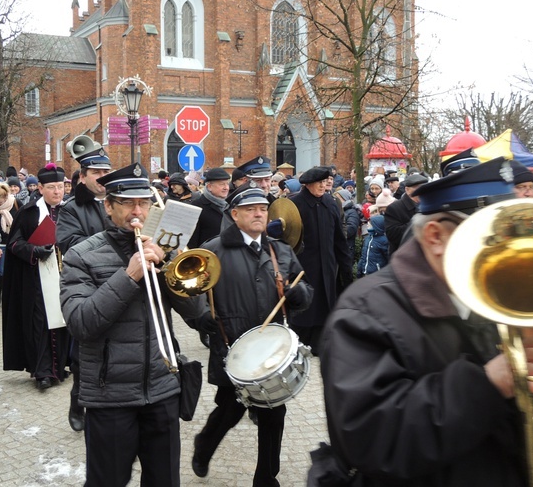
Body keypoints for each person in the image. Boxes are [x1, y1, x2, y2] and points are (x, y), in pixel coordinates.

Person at [316, 157, 533, 487]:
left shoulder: (502, 294)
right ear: (435, 236)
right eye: (491, 235)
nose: (507, 249)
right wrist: (489, 383)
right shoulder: (364, 311)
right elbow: (373, 441)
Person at [60, 162, 209, 487]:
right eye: (127, 203)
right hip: (110, 397)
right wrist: (129, 276)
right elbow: (81, 324)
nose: (137, 211)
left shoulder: (163, 249)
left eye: (144, 203)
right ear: (109, 206)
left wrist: (170, 264)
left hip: (162, 390)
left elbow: (197, 312)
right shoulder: (81, 256)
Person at [193, 185, 313, 487]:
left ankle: (266, 478)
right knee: (230, 410)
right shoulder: (214, 250)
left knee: (274, 415)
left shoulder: (280, 250)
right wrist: (202, 317)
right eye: (250, 209)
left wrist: (296, 292)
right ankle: (204, 445)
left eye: (262, 208)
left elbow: (305, 292)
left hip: (271, 353)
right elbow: (192, 293)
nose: (259, 213)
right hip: (232, 348)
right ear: (235, 215)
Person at [56, 145, 112, 433]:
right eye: (97, 173)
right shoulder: (71, 208)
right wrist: (111, 242)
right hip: (89, 286)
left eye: (106, 172)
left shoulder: (119, 200)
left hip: (122, 283)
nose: (103, 177)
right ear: (83, 177)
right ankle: (78, 401)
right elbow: (69, 244)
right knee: (85, 352)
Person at [2, 163, 70, 390]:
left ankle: (59, 367)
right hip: (37, 278)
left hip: (67, 275)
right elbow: (14, 244)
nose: (57, 192)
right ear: (40, 188)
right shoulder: (29, 212)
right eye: (52, 187)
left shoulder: (70, 211)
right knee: (41, 323)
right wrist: (34, 251)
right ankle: (42, 370)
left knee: (63, 322)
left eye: (60, 187)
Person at [289, 166, 353, 353]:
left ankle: (320, 342)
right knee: (305, 306)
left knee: (325, 304)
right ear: (308, 184)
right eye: (319, 183)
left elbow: (339, 238)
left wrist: (346, 266)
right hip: (303, 266)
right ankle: (299, 343)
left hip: (328, 266)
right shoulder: (295, 204)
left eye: (325, 183)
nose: (323, 186)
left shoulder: (330, 202)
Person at [383, 172, 428, 255]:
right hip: (404, 258)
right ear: (407, 190)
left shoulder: (428, 205)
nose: (421, 191)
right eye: (416, 188)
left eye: (423, 187)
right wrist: (418, 222)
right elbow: (393, 236)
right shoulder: (394, 208)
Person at [188, 167, 231, 249]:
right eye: (222, 184)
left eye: (227, 184)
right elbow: (192, 242)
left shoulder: (229, 206)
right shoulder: (197, 206)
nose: (226, 188)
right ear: (209, 187)